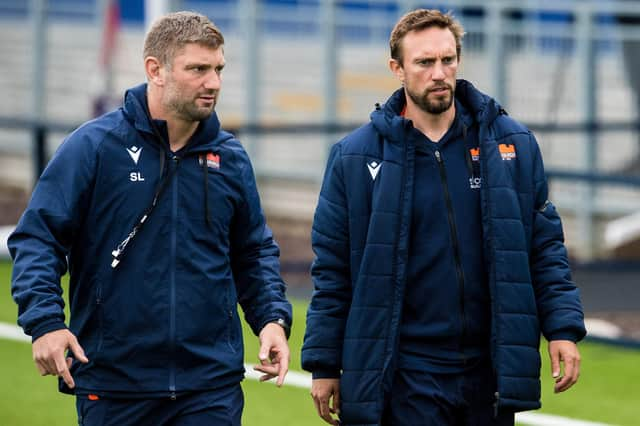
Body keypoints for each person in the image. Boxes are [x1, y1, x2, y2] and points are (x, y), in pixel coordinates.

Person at [301, 8, 585, 426]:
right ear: (397, 68)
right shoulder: (354, 157)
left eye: (447, 60)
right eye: (424, 62)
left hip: (488, 371)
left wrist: (562, 328)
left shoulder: (512, 145)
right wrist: (325, 364)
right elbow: (334, 268)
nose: (439, 73)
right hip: (404, 372)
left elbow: (544, 248)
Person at [9, 11, 292, 426]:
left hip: (210, 386)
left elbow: (253, 250)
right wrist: (45, 321)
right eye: (197, 69)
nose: (213, 82)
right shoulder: (95, 147)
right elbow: (38, 238)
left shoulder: (230, 158)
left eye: (218, 69)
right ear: (154, 70)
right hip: (116, 385)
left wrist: (271, 319)